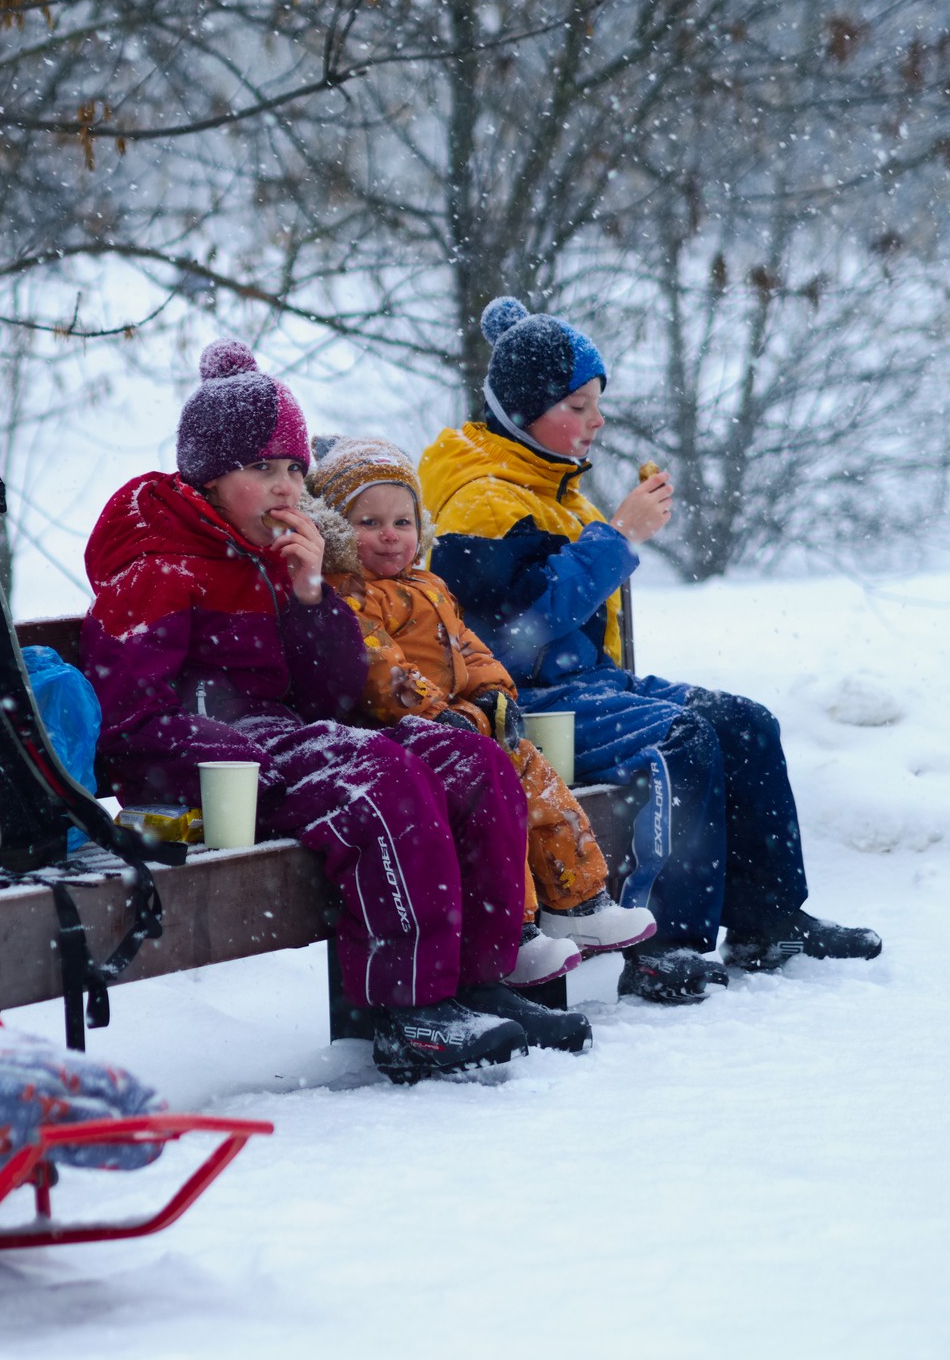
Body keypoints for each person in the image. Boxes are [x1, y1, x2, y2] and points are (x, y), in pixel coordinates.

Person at [82, 338, 582, 1081]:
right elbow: (123, 729)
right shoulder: (160, 569)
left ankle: (480, 979)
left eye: (293, 468)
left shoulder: (279, 561)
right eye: (260, 469)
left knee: (473, 761)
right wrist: (232, 755)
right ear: (210, 479)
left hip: (295, 741)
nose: (285, 486)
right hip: (217, 771)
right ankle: (407, 1009)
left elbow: (334, 695)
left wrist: (313, 595)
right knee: (378, 778)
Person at [416, 296, 882, 1003]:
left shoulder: (551, 484)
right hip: (533, 702)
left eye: (597, 402)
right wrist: (618, 537)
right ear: (523, 410)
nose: (597, 420)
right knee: (684, 740)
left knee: (745, 721)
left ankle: (768, 919)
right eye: (578, 403)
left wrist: (610, 531)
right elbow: (512, 637)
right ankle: (666, 941)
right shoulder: (482, 501)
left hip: (589, 685)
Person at [303, 437, 657, 991]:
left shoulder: (431, 586)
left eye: (402, 521)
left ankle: (580, 903)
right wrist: (438, 714)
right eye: (369, 522)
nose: (390, 535)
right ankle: (513, 931)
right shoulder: (351, 596)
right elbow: (380, 669)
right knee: (500, 807)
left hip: (467, 724)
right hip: (402, 734)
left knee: (540, 788)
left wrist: (495, 694)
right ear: (336, 532)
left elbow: (470, 648)